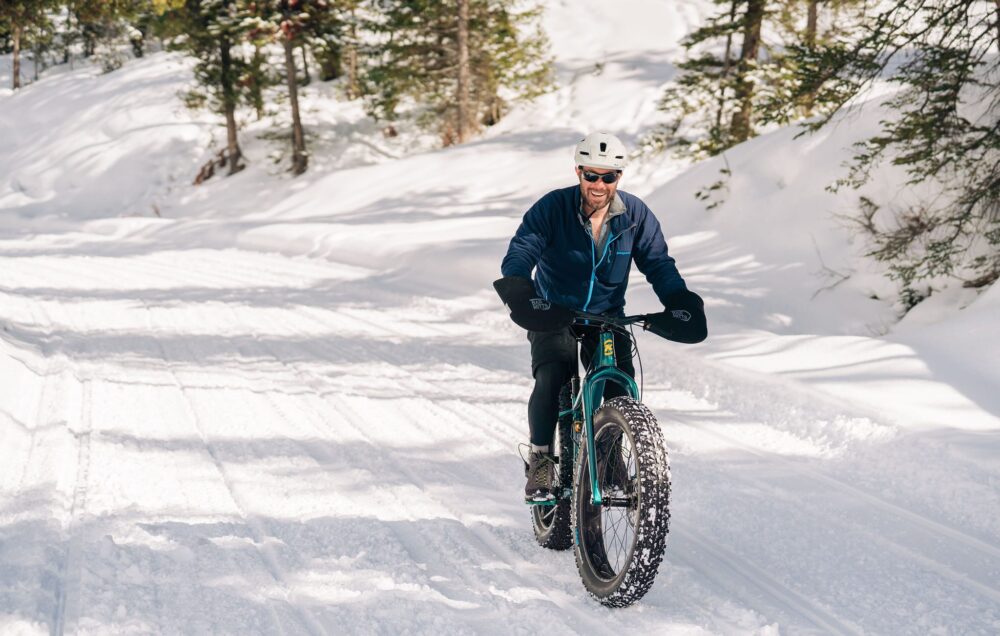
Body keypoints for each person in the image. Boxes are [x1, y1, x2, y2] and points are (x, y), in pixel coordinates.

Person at [496, 132, 706, 502]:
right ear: (578, 172)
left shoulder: (635, 215)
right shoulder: (553, 208)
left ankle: (609, 458)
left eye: (608, 177)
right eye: (591, 175)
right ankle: (542, 460)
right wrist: (519, 285)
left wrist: (678, 299)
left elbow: (658, 263)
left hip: (608, 317)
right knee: (552, 376)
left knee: (619, 385)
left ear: (618, 178)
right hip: (555, 311)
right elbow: (524, 248)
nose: (598, 184)